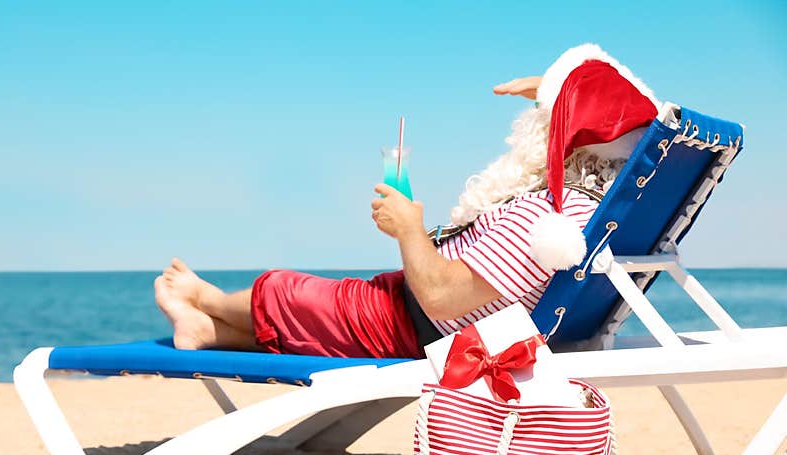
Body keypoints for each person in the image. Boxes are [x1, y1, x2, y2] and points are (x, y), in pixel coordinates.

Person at [154, 44, 661, 359]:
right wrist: (553, 88)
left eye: (538, 124)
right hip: (435, 316)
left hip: (417, 325)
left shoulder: (543, 219)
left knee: (290, 291)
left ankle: (205, 301)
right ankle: (208, 331)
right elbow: (637, 116)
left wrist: (408, 230)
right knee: (323, 315)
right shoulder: (591, 211)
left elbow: (439, 297)